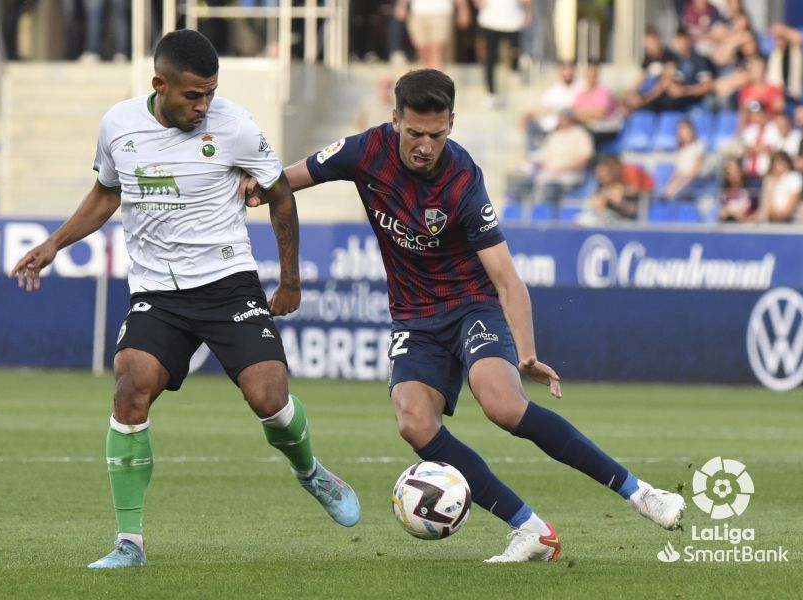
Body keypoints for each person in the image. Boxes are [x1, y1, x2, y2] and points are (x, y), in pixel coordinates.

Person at [243, 69, 685, 563]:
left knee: (503, 405)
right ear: (395, 120)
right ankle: (531, 530)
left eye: (437, 134)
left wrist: (527, 353)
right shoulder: (363, 151)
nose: (425, 146)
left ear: (451, 123)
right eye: (414, 133)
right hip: (413, 317)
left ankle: (641, 492)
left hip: (469, 306)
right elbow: (283, 181)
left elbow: (506, 279)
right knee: (413, 421)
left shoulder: (462, 179)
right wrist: (251, 187)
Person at [8, 30, 360, 569]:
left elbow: (280, 196)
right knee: (130, 388)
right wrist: (54, 243)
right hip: (157, 292)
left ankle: (310, 471)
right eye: (193, 95)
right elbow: (107, 192)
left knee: (269, 398)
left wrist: (289, 281)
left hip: (228, 284)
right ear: (160, 84)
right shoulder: (119, 126)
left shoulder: (236, 127)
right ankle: (130, 543)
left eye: (210, 94)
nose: (204, 106)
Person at [473, 0, 531, 108]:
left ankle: (514, 70)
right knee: (490, 57)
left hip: (513, 20)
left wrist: (527, 11)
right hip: (490, 20)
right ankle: (490, 93)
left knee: (515, 50)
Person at [522, 60, 583, 153]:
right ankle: (532, 156)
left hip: (566, 124)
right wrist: (526, 116)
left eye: (569, 69)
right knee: (530, 125)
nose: (567, 72)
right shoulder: (553, 90)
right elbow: (542, 107)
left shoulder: (581, 87)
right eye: (564, 69)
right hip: (549, 124)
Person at [395, 0, 472, 71]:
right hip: (417, 12)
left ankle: (436, 83)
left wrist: (463, 9)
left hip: (442, 11)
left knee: (437, 50)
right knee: (422, 52)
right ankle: (423, 81)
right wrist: (402, 5)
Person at [577, 154, 654, 224]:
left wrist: (618, 195)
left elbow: (636, 191)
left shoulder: (630, 172)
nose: (602, 177)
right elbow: (597, 202)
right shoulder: (606, 183)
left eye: (605, 172)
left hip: (632, 213)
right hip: (610, 217)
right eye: (599, 176)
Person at [662, 119, 705, 200]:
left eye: (685, 130)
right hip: (680, 180)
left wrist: (679, 185)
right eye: (680, 130)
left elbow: (694, 173)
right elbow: (676, 172)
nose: (682, 133)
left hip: (691, 183)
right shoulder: (681, 150)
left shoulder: (698, 146)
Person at [759, 150, 803, 223]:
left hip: (789, 222)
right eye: (776, 161)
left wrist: (781, 215)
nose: (778, 164)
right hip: (770, 222)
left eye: (781, 161)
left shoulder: (794, 177)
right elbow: (766, 205)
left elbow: (790, 207)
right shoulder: (768, 179)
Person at [717, 158, 758, 222]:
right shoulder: (723, 191)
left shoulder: (750, 190)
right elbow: (721, 213)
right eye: (728, 171)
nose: (731, 173)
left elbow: (754, 214)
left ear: (741, 171)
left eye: (734, 170)